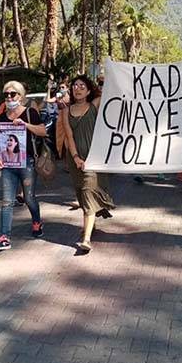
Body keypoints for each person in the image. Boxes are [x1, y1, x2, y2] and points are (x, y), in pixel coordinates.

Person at [0, 81, 47, 251]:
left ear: (20, 97)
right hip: (8, 165)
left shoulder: (30, 113)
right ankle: (4, 236)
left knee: (29, 198)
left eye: (12, 94)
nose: (9, 97)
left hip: (27, 163)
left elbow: (43, 131)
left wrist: (25, 125)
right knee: (7, 201)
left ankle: (37, 222)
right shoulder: (2, 117)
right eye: (6, 94)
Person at [62, 75, 115, 253]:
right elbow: (69, 137)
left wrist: (111, 74)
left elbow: (113, 93)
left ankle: (86, 238)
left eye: (82, 85)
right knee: (81, 192)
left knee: (87, 192)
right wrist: (76, 157)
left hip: (93, 159)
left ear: (89, 89)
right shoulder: (65, 112)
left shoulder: (94, 105)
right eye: (75, 85)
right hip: (75, 159)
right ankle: (95, 214)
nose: (77, 88)